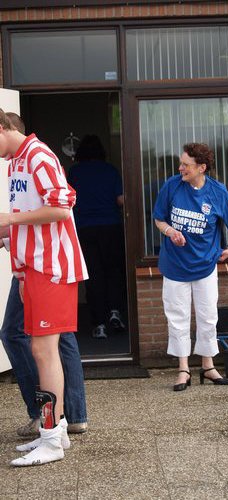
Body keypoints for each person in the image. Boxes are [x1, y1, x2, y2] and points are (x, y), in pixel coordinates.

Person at [0, 108, 88, 466]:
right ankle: (56, 431)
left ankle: (51, 438)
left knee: (44, 352)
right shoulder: (16, 162)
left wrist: (11, 219)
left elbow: (62, 208)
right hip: (32, 269)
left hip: (52, 267)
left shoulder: (39, 155)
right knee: (41, 349)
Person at [153, 142, 228, 391]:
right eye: (181, 163)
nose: (180, 168)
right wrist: (170, 231)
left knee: (207, 316)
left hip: (205, 265)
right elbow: (159, 218)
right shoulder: (172, 185)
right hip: (175, 265)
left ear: (201, 167)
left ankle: (208, 365)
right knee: (177, 317)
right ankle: (183, 369)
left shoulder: (217, 191)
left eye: (186, 164)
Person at [67, 135, 126, 339]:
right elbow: (120, 200)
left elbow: (67, 201)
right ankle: (115, 312)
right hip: (111, 226)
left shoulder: (74, 172)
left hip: (84, 228)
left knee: (93, 275)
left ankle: (99, 324)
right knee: (113, 272)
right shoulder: (110, 170)